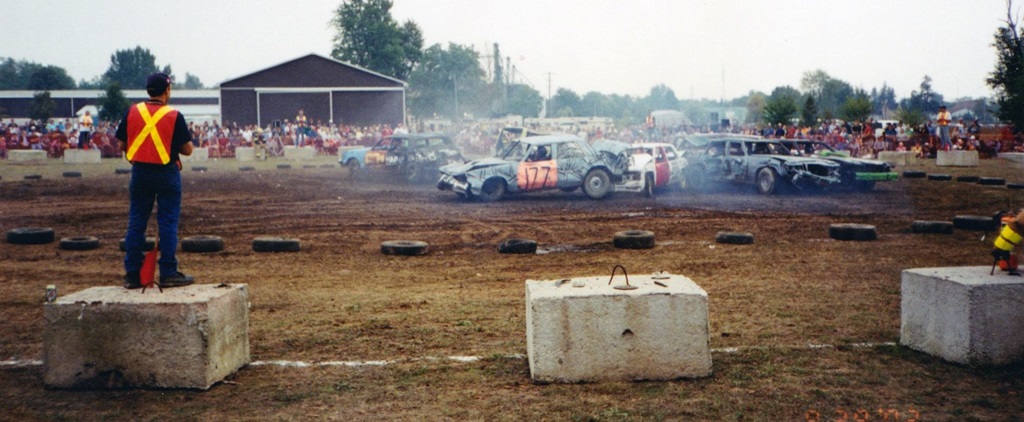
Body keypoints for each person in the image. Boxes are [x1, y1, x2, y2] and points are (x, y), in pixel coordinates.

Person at [115, 72, 194, 289]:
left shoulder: (132, 111)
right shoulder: (174, 115)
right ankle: (168, 271)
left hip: (140, 172)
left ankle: (132, 274)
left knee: (136, 221)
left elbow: (121, 145)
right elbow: (187, 150)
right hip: (166, 173)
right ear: (167, 91)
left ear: (148, 90)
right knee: (167, 222)